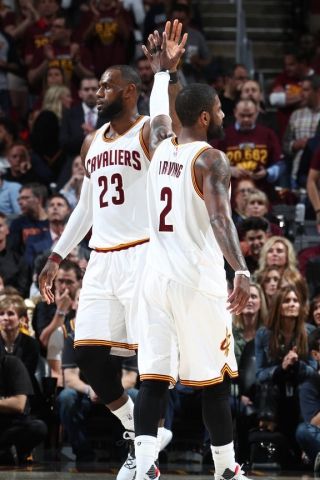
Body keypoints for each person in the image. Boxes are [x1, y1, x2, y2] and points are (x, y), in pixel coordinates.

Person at [38, 19, 187, 479]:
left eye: (106, 87)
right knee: (90, 358)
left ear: (129, 92)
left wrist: (164, 74)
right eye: (97, 87)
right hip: (101, 259)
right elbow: (84, 205)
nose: (97, 93)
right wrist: (58, 254)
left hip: (144, 253)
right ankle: (137, 432)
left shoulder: (147, 132)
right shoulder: (91, 141)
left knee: (150, 361)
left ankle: (143, 458)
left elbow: (167, 121)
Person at [133, 30, 250, 480]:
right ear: (205, 117)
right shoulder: (210, 159)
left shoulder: (160, 143)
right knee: (215, 383)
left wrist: (165, 71)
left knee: (153, 381)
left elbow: (158, 112)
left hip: (154, 281)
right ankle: (226, 469)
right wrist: (241, 270)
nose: (222, 113)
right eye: (219, 108)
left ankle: (145, 468)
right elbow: (222, 222)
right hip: (196, 284)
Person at [255, 286, 314, 463]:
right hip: (275, 389)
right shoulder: (264, 334)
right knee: (268, 387)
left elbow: (313, 372)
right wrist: (281, 367)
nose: (291, 304)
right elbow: (259, 374)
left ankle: (306, 449)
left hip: (301, 388)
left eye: (295, 301)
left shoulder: (310, 332)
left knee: (306, 388)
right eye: (287, 301)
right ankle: (266, 443)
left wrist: (297, 363)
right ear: (278, 306)